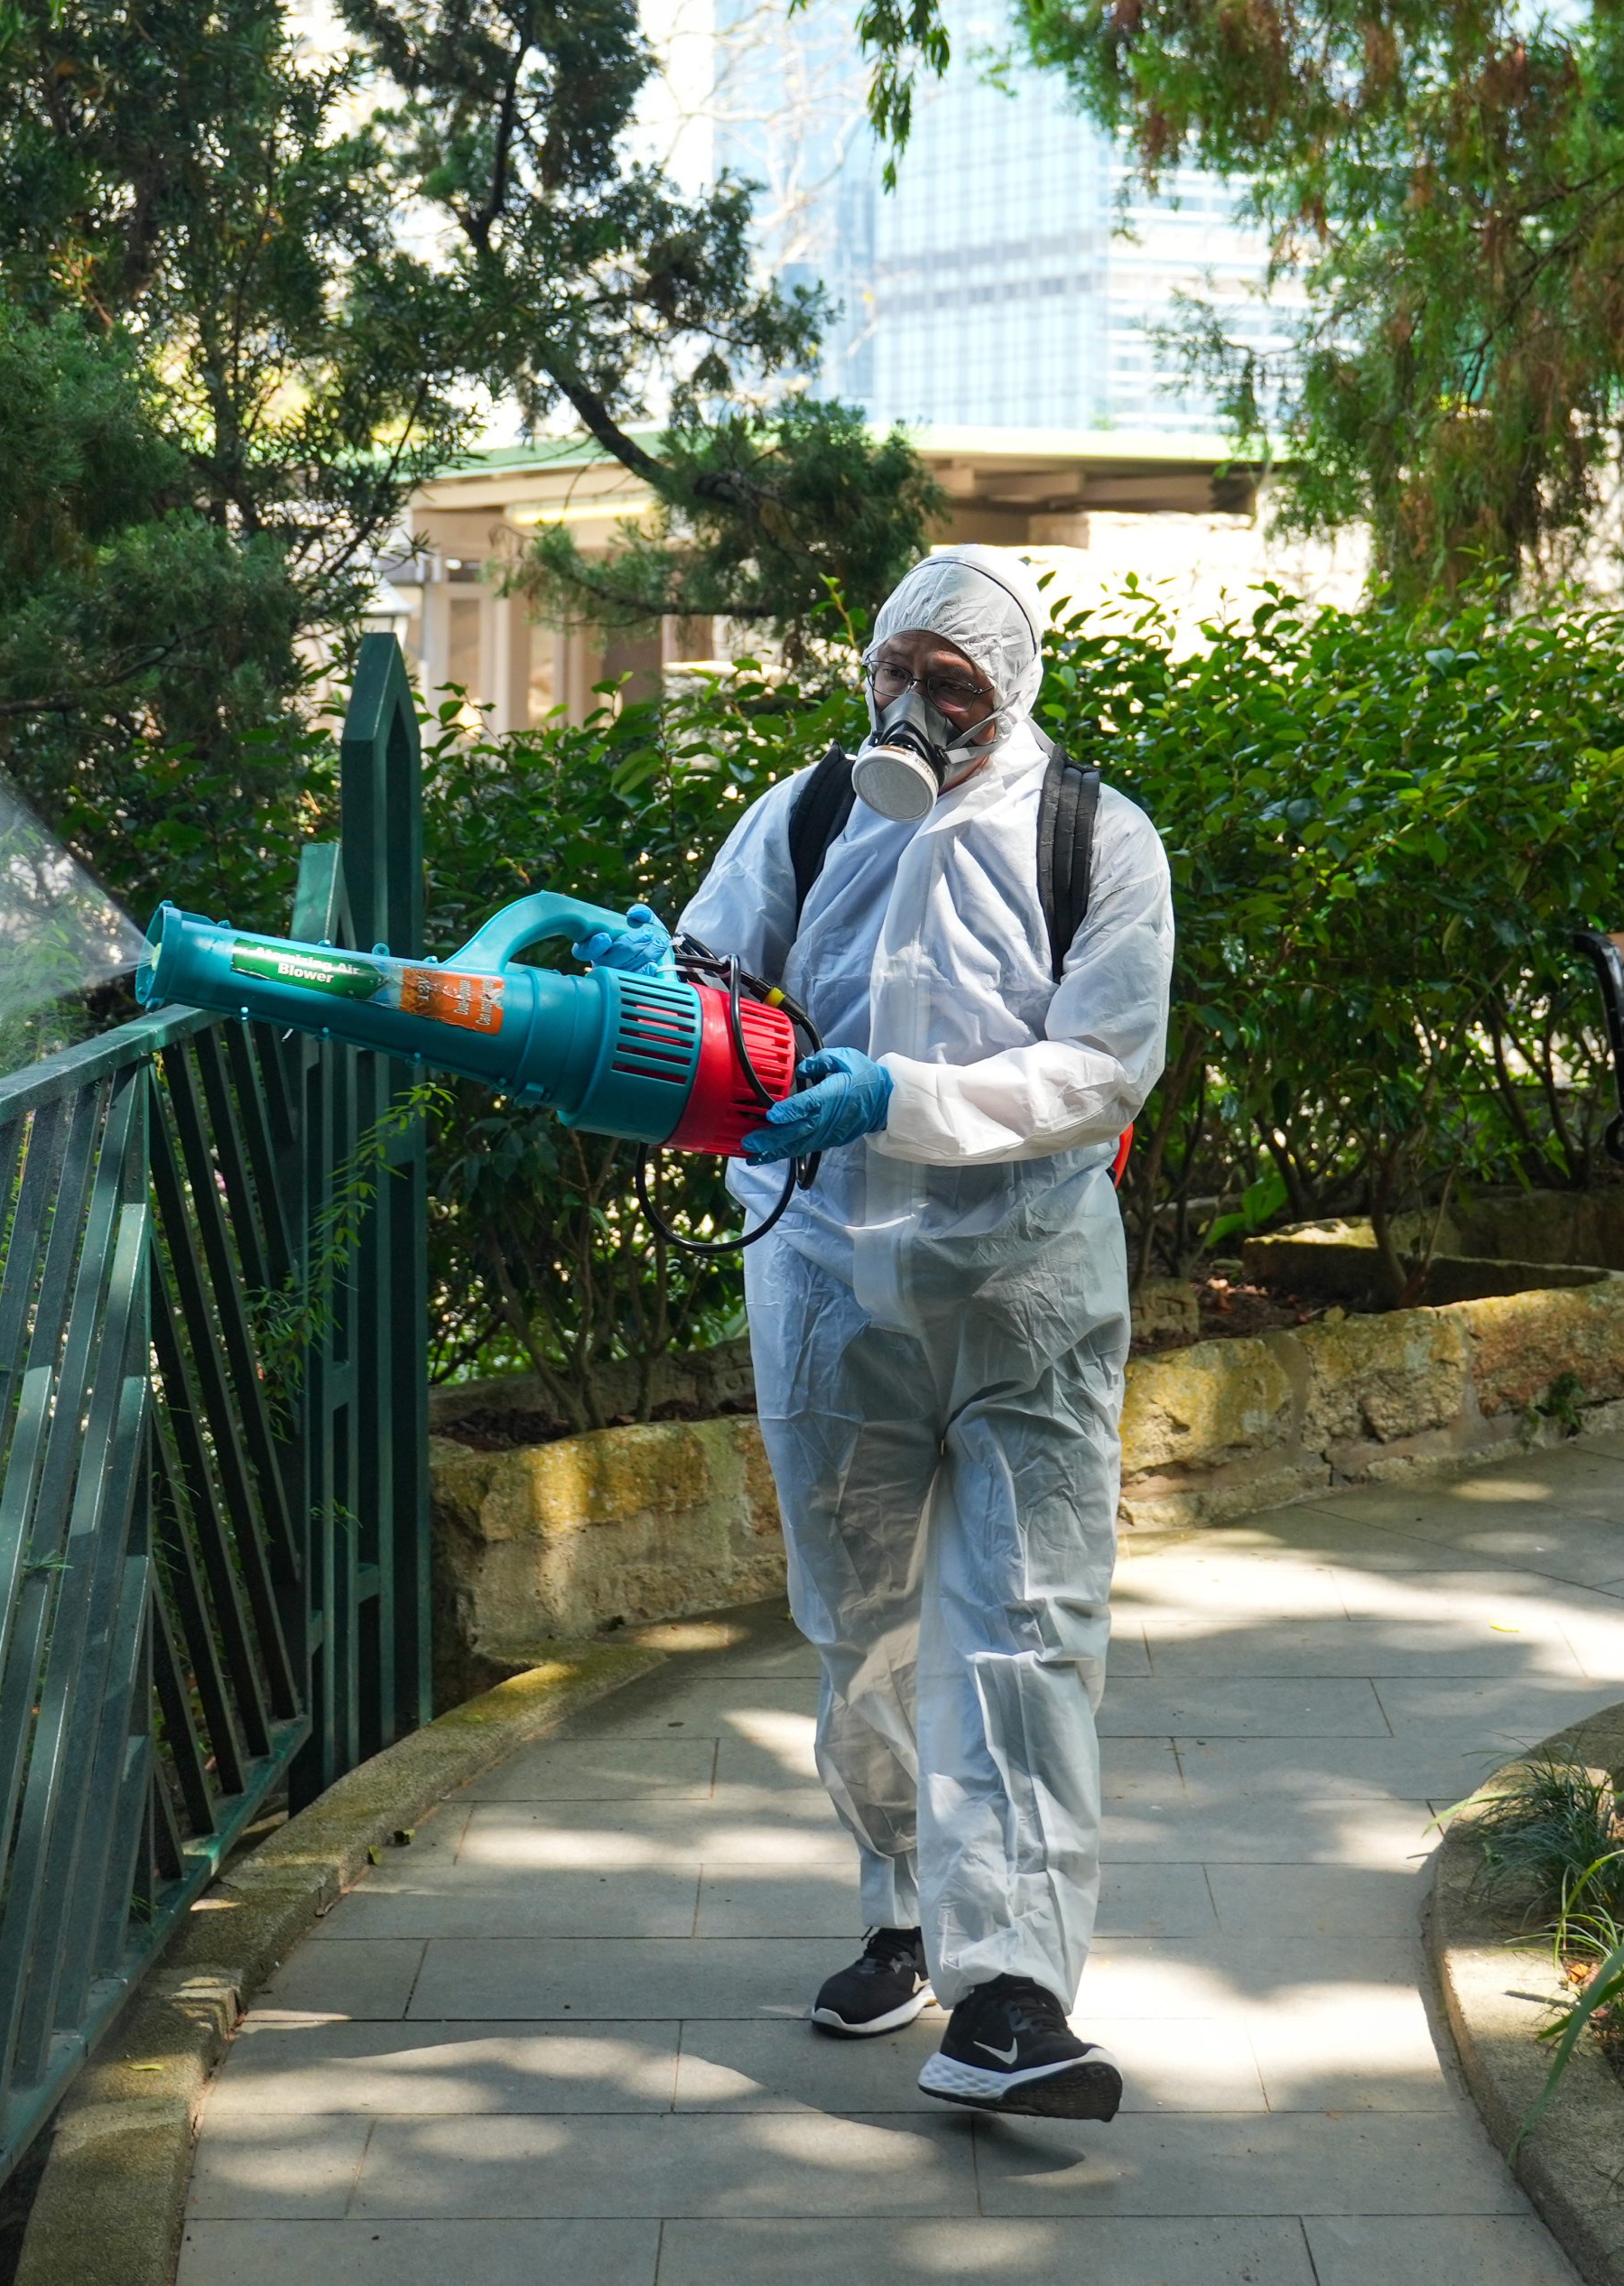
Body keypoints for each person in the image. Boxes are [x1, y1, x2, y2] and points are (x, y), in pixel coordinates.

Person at [577, 548, 1174, 2122]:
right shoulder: (810, 810)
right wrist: (657, 981)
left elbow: (1101, 1069)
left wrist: (900, 1100)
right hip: (831, 1283)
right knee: (858, 1629)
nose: (913, 708)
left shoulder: (1095, 837)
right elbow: (715, 985)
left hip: (1024, 1295)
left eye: (951, 685)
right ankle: (901, 1909)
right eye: (895, 672)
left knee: (1029, 1631)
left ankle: (1015, 1991)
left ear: (1009, 692)